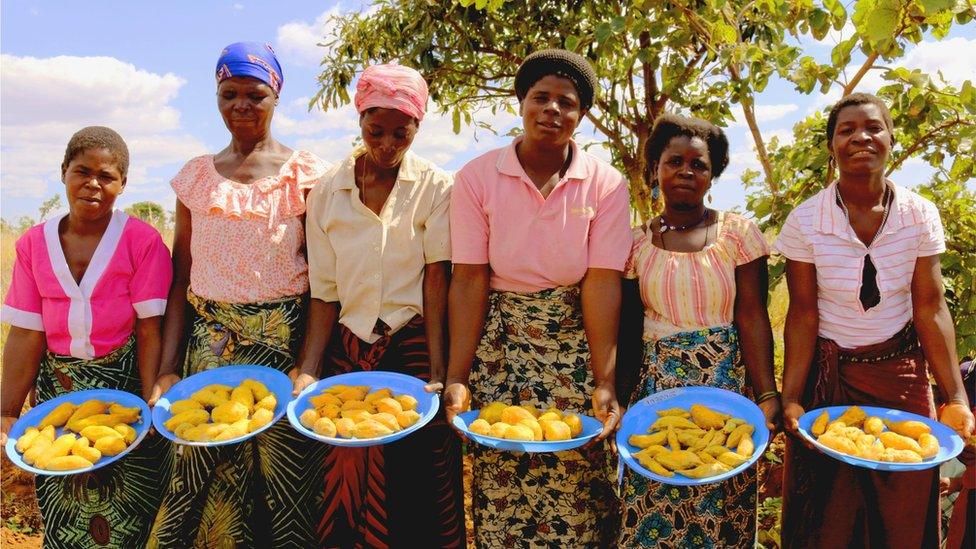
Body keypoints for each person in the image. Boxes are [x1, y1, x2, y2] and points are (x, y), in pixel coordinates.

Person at [442, 49, 632, 547]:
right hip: (500, 343)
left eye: (567, 102)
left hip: (573, 342)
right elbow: (469, 279)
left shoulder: (607, 183)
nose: (552, 110)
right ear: (520, 102)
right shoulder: (477, 178)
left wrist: (605, 378)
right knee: (504, 459)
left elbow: (602, 282)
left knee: (575, 463)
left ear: (582, 114)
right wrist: (458, 377)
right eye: (540, 97)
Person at [146, 42, 331, 548]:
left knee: (285, 479)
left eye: (255, 94)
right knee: (199, 469)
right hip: (210, 352)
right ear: (217, 96)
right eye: (229, 94)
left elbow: (323, 283)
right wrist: (168, 367)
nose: (241, 106)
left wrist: (309, 364)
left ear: (276, 96)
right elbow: (181, 279)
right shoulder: (195, 179)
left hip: (285, 350)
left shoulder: (305, 176)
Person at [776, 92, 975, 548]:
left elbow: (929, 306)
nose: (861, 137)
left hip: (899, 373)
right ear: (831, 146)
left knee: (904, 504)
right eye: (846, 130)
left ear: (890, 138)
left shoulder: (919, 214)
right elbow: (804, 315)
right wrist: (791, 398)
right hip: (830, 378)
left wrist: (955, 397)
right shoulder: (806, 221)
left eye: (873, 127)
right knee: (829, 513)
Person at [300, 63, 465, 548]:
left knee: (420, 469)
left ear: (417, 127)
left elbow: (437, 279)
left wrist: (438, 369)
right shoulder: (329, 192)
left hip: (413, 343)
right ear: (359, 120)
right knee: (346, 466)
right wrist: (308, 369)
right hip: (349, 349)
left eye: (402, 133)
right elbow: (325, 292)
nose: (388, 144)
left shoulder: (436, 187)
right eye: (376, 131)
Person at [0, 126, 174, 548]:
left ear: (123, 184)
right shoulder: (32, 246)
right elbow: (25, 333)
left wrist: (150, 399)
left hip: (125, 393)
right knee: (66, 504)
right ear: (63, 173)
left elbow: (151, 328)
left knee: (131, 507)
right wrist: (6, 412)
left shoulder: (141, 241)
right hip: (58, 396)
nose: (93, 184)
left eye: (107, 176)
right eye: (82, 171)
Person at [617, 114, 779, 547]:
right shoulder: (635, 244)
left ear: (713, 175)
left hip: (725, 388)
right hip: (658, 393)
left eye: (699, 164)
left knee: (719, 497)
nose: (686, 171)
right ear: (655, 169)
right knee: (655, 494)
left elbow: (752, 315)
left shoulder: (738, 234)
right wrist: (617, 397)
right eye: (674, 161)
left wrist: (766, 395)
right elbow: (630, 330)